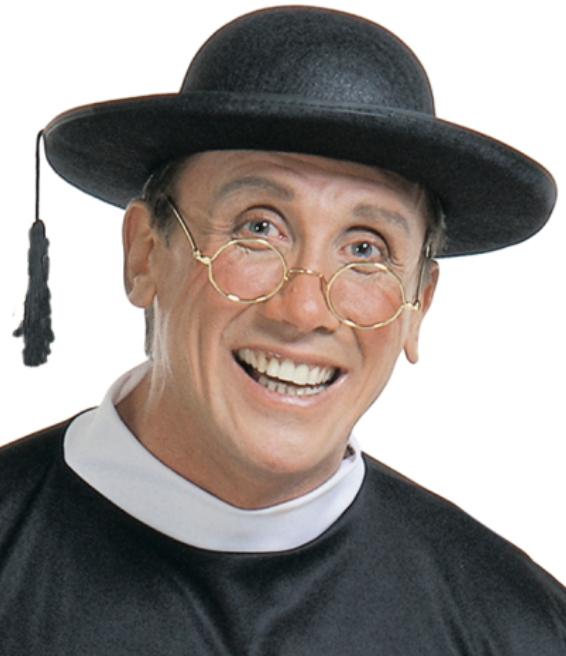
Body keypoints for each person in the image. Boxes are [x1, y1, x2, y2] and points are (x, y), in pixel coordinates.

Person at [1, 5, 565, 654]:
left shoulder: (516, 630)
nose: (303, 310)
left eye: (366, 249)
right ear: (145, 255)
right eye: (258, 228)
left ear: (418, 305)